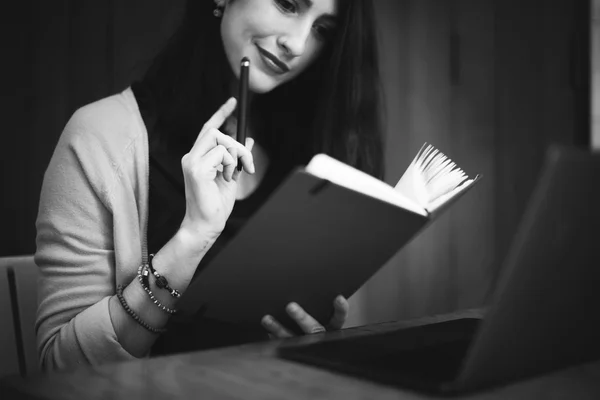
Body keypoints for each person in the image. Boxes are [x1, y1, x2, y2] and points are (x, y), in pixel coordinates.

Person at [34, 0, 384, 371]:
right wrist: (192, 238)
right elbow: (60, 368)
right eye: (288, 4)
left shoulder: (310, 156)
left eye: (322, 30)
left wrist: (312, 341)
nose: (297, 45)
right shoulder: (101, 137)